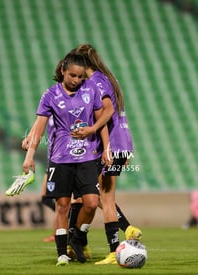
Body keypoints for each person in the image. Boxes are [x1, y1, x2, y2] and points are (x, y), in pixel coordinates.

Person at [21, 52, 110, 266]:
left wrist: (107, 148)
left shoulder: (91, 89)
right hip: (61, 158)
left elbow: (101, 122)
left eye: (80, 77)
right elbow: (38, 130)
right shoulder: (50, 95)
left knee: (90, 203)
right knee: (62, 205)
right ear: (62, 71)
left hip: (88, 155)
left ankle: (77, 238)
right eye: (72, 76)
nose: (77, 80)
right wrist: (29, 157)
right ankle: (62, 253)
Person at [71, 44, 141, 265]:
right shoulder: (107, 77)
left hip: (112, 145)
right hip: (122, 143)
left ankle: (114, 250)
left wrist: (94, 133)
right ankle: (89, 241)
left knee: (104, 199)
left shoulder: (96, 81)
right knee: (95, 196)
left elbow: (108, 109)